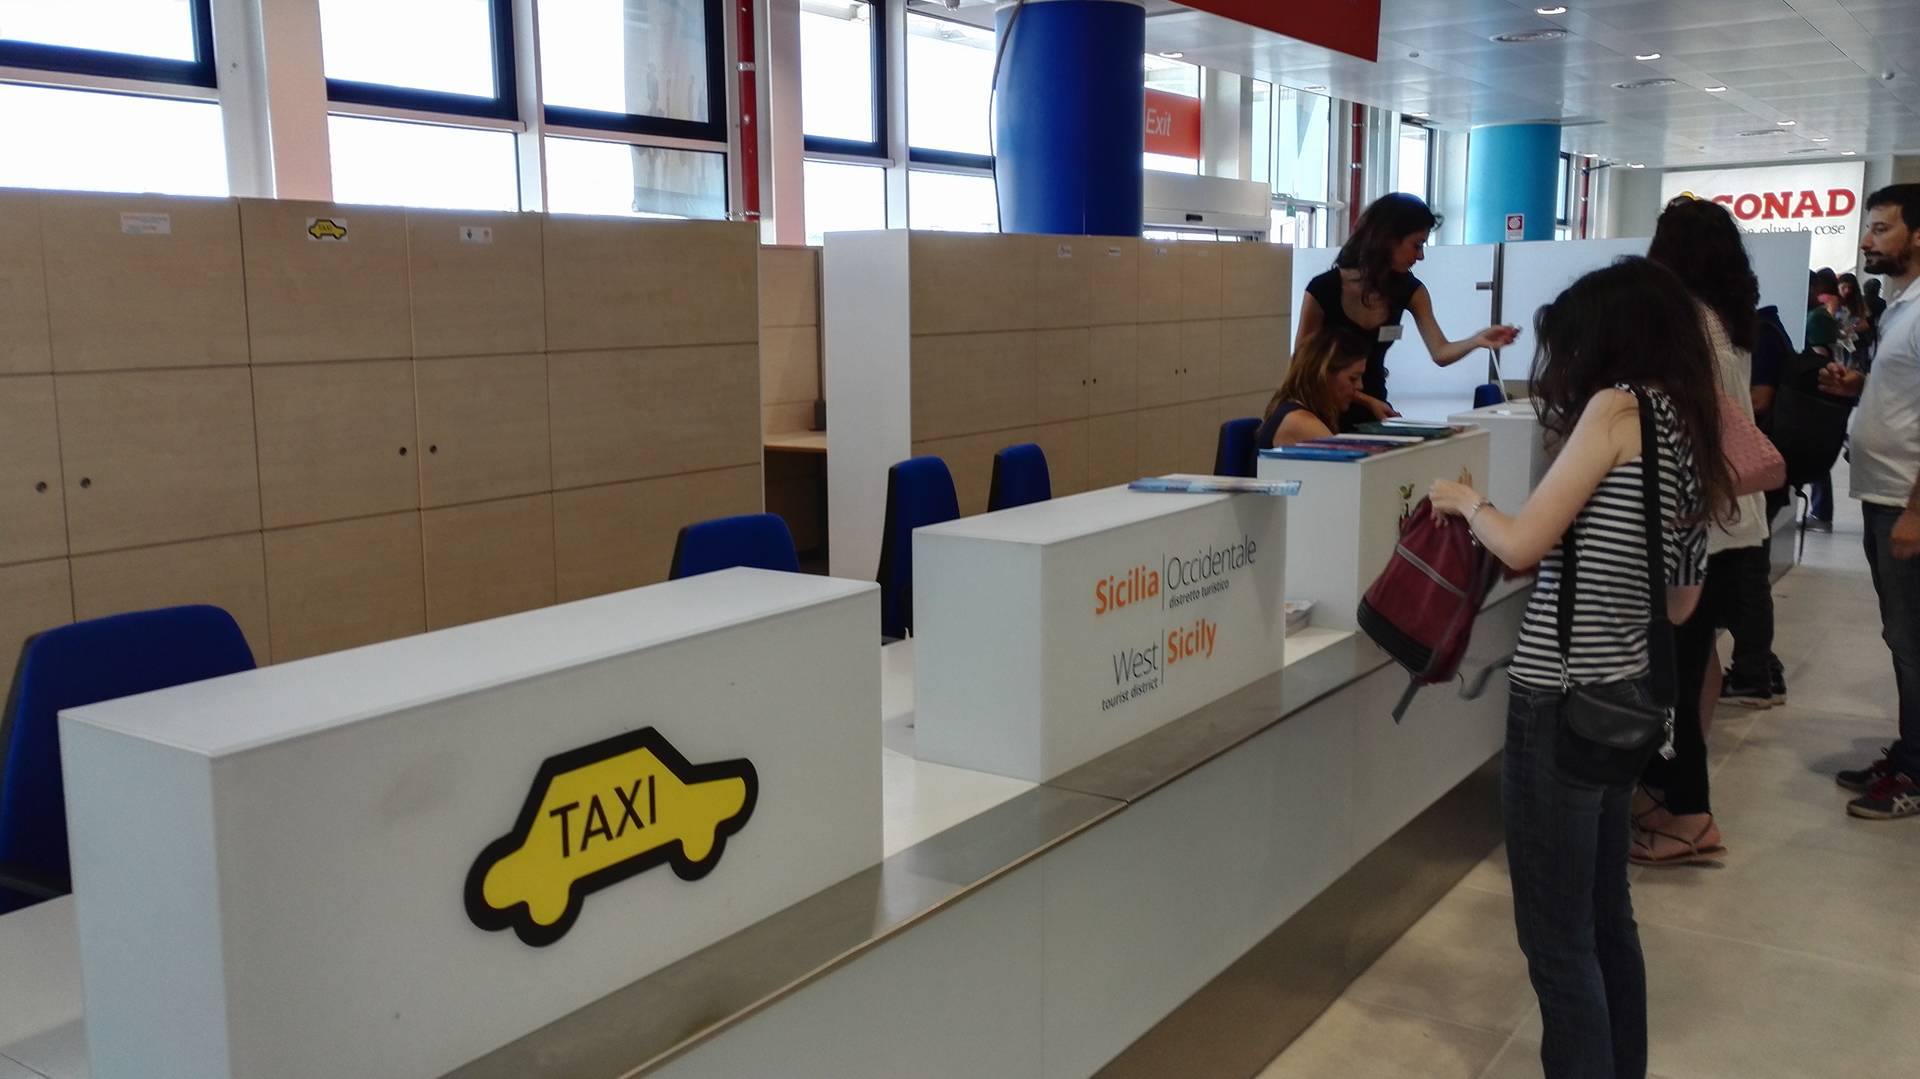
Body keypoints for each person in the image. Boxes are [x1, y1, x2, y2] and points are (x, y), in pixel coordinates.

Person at [1427, 257, 1729, 1079]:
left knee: (1557, 942)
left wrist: (1467, 504)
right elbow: (1682, 603)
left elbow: (1522, 540)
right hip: (1629, 699)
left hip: (1559, 700)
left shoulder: (1615, 408)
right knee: (1606, 918)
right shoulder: (1685, 421)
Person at [1631, 198, 1767, 867]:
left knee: (1677, 675)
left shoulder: (1683, 320)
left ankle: (1689, 814)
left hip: (1700, 523)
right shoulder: (1728, 319)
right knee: (1699, 661)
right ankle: (1678, 788)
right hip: (1735, 520)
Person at [1818, 183, 1920, 821]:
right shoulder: (1901, 307)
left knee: (1912, 641)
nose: (1866, 241)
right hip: (1885, 496)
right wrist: (1860, 388)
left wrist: (1917, 511)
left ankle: (1916, 773)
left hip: (1905, 501)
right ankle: (1910, 750)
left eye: (1882, 228)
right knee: (1901, 636)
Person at [1295, 193, 1518, 425]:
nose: (1421, 256)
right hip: (1322, 411)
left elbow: (1440, 352)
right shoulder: (1323, 288)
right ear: (1388, 239)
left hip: (1375, 411)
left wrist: (1477, 340)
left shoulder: (1411, 290)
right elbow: (1302, 366)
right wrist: (1366, 400)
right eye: (1417, 245)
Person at [1256, 327, 1371, 448]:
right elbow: (1346, 459)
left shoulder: (1292, 407)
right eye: (1353, 378)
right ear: (1323, 376)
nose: (1360, 386)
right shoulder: (1299, 421)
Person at [1805, 269, 1843, 531]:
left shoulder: (1816, 316)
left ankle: (1821, 512)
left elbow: (1820, 353)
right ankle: (1821, 511)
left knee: (1813, 450)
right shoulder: (1821, 315)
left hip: (1814, 390)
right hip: (1822, 390)